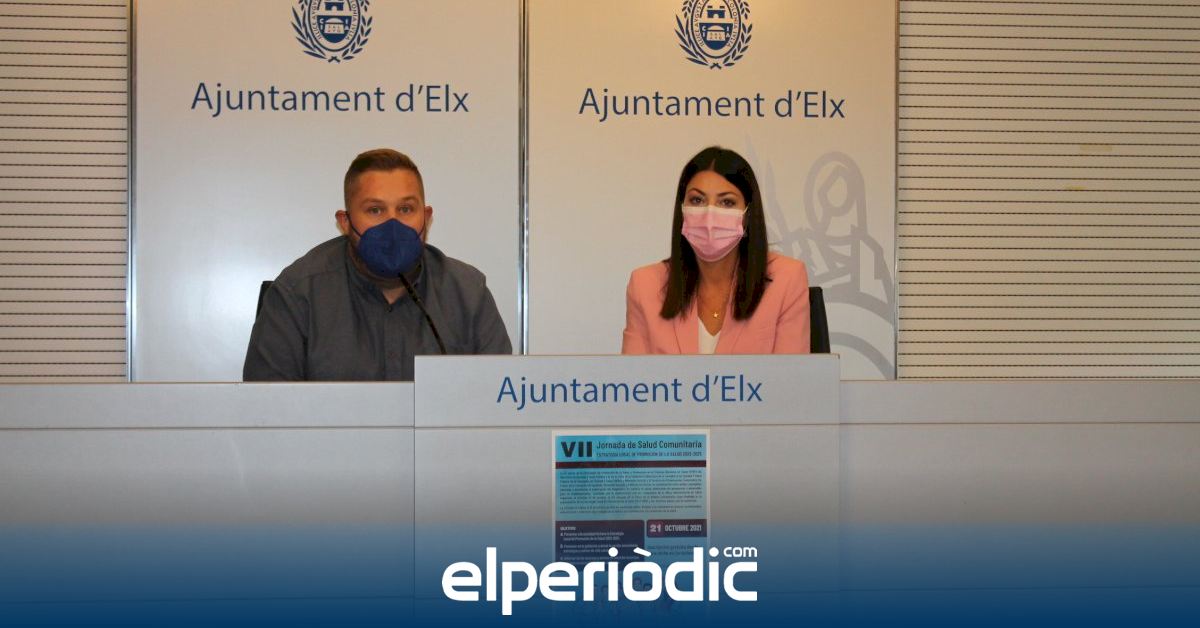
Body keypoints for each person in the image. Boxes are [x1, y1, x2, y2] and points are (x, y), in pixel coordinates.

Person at [243, 148, 511, 381]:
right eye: (375, 210)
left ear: (426, 217)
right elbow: (267, 411)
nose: (392, 224)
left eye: (405, 209)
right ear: (345, 222)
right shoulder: (298, 293)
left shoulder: (467, 292)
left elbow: (498, 401)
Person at [622, 146, 810, 354]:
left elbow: (792, 374)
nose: (709, 215)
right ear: (682, 210)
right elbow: (634, 374)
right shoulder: (645, 285)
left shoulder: (787, 279)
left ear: (747, 215)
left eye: (727, 202)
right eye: (697, 200)